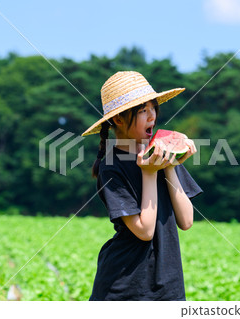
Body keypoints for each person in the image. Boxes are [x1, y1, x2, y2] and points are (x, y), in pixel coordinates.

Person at [82, 71, 203, 301]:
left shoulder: (161, 153)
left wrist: (170, 166)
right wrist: (149, 173)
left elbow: (186, 221)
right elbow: (145, 231)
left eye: (153, 108)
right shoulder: (111, 167)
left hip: (168, 283)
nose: (152, 117)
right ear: (118, 119)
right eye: (142, 111)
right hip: (126, 283)